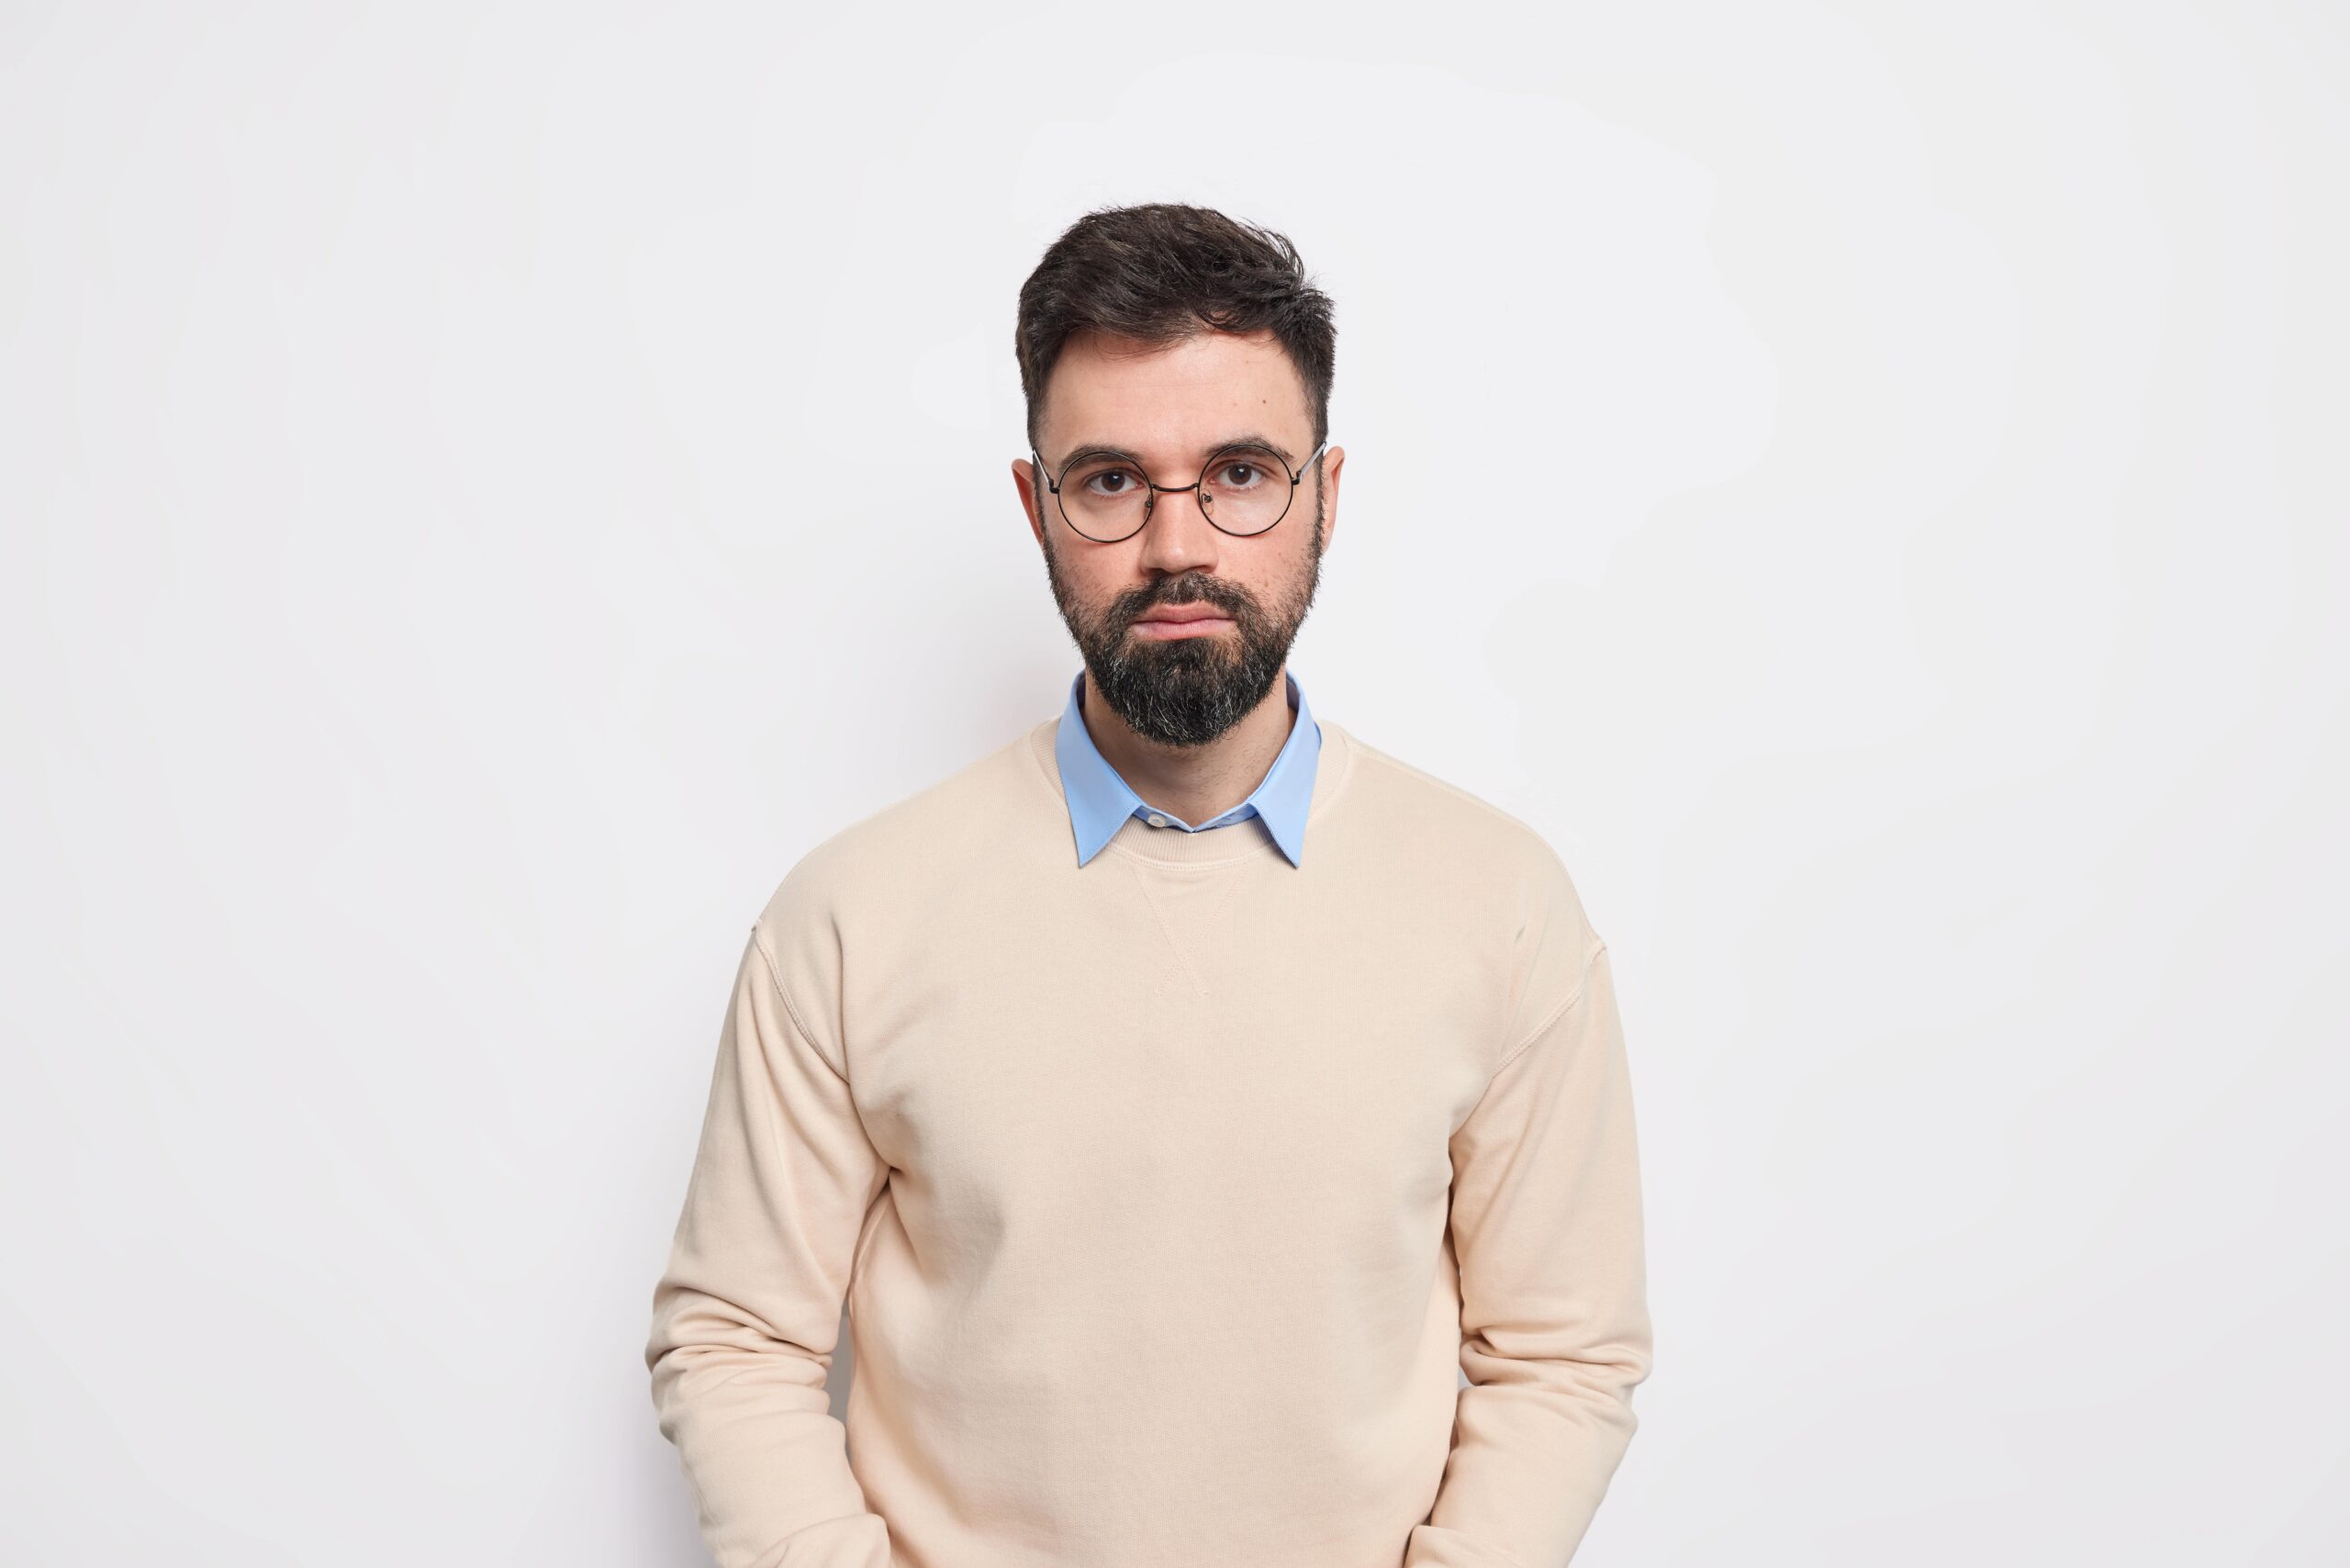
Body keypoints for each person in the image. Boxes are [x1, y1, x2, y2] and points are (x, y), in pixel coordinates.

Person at [644, 202, 1653, 1568]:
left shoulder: (1503, 906)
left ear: (1327, 495)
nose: (1179, 547)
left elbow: (1566, 1354)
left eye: (1240, 473)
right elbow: (734, 1340)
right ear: (1036, 504)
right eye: (1112, 480)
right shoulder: (850, 918)